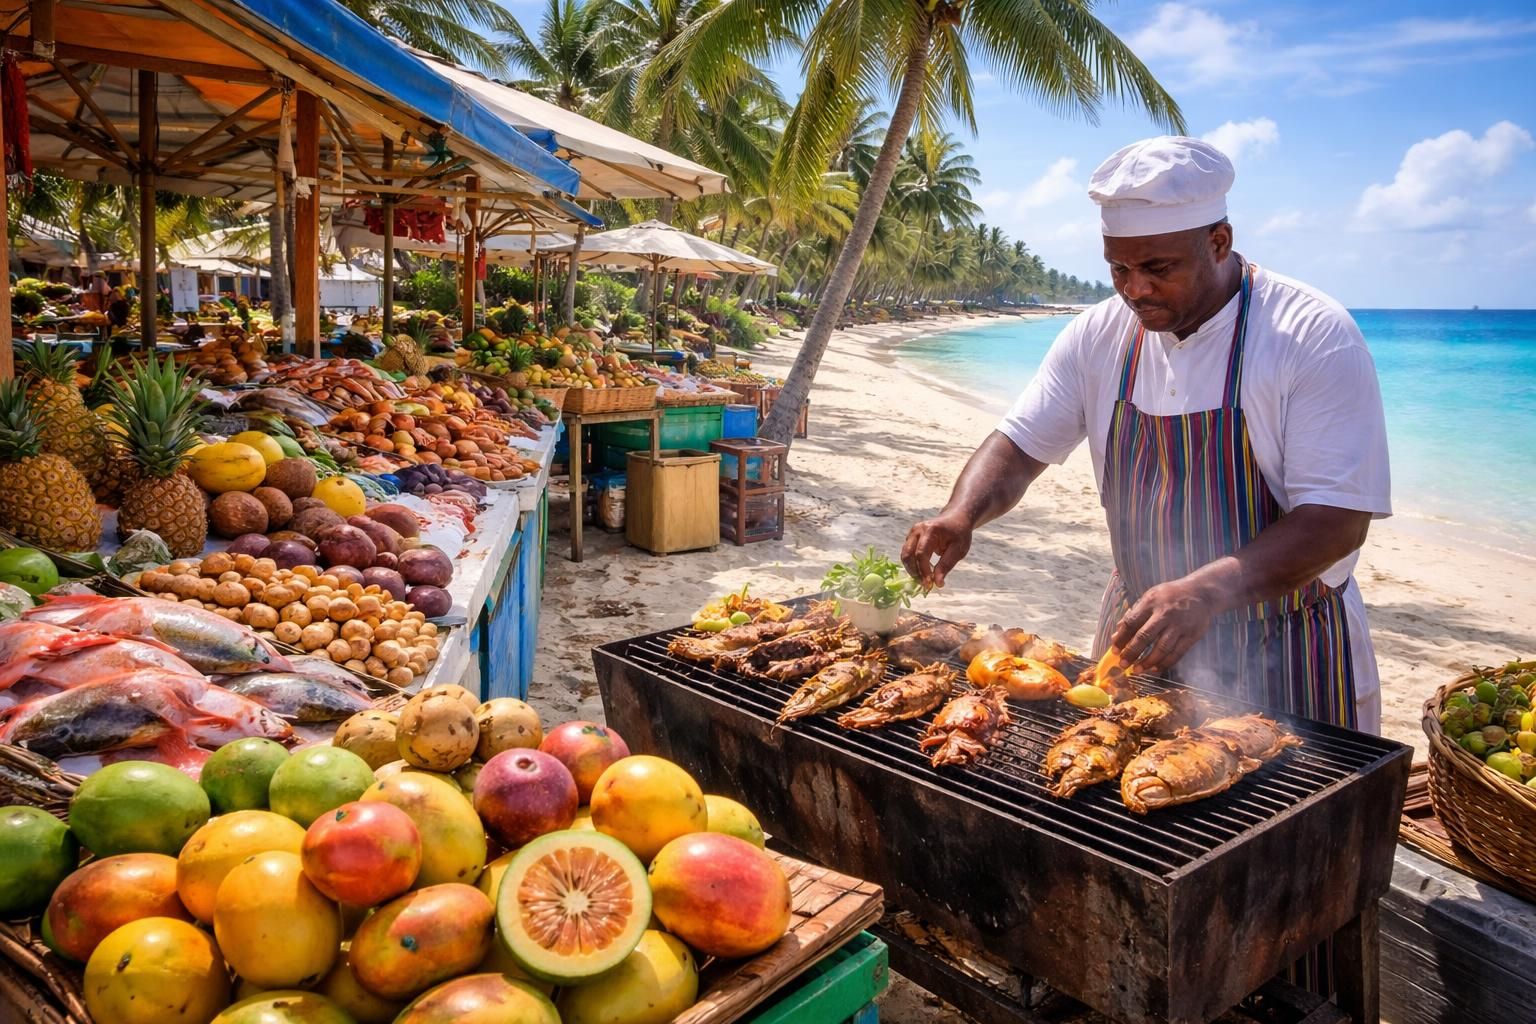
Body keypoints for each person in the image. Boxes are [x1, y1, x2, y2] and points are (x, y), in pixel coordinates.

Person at [902, 136, 1390, 734]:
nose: (1135, 289)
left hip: (1285, 643)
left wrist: (1204, 591)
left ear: (1218, 242)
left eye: (1159, 269)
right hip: (1140, 633)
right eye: (1119, 269)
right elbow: (1020, 444)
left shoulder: (1309, 335)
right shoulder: (1098, 335)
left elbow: (1338, 519)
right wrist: (960, 515)